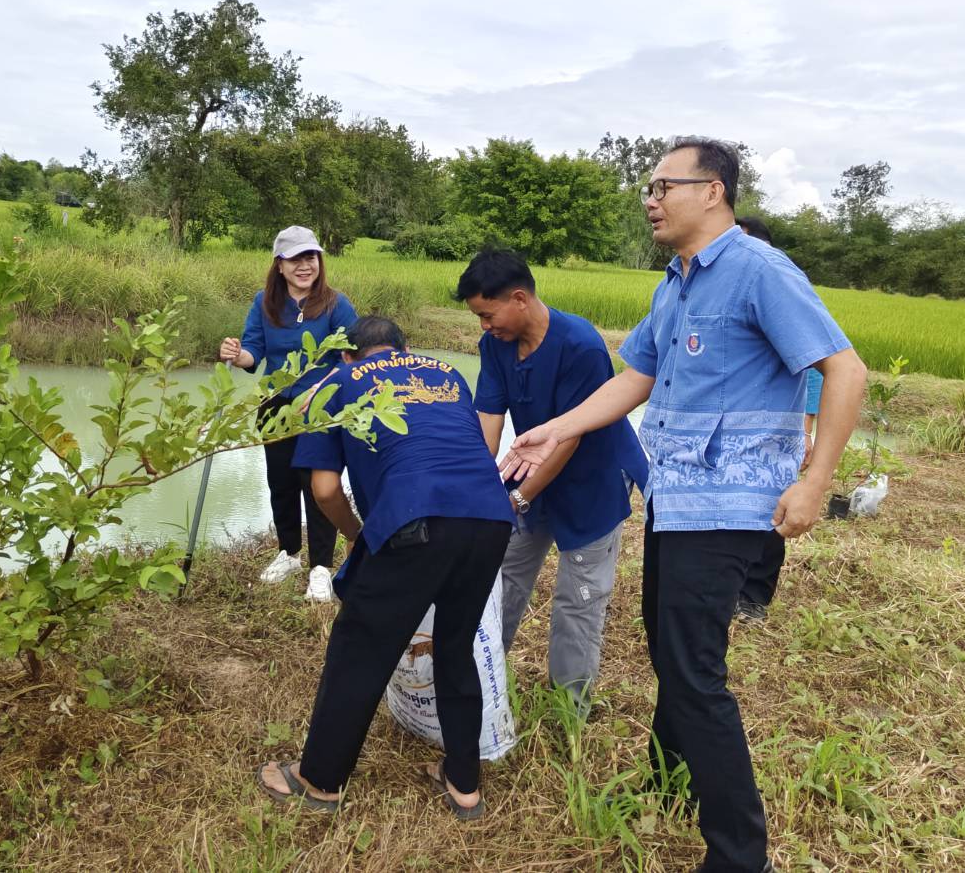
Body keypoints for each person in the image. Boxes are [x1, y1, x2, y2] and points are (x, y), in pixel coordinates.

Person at [504, 138, 867, 873]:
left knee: (694, 671)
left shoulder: (757, 270)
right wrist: (555, 427)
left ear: (713, 191)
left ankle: (740, 856)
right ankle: (668, 784)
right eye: (648, 185)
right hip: (674, 499)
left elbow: (844, 368)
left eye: (663, 184)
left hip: (730, 507)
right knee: (673, 653)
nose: (650, 198)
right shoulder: (673, 284)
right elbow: (634, 376)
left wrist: (815, 481)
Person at [256, 316, 514, 818]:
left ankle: (319, 781)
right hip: (489, 516)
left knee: (360, 647)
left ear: (348, 355)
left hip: (417, 520)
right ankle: (464, 785)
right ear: (403, 348)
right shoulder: (445, 373)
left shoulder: (337, 383)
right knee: (455, 645)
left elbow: (326, 490)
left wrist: (357, 537)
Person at [453, 248, 648, 704]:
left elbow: (569, 438)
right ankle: (478, 683)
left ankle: (569, 707)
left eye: (488, 314)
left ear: (519, 298)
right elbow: (488, 418)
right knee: (499, 576)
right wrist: (483, 492)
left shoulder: (579, 344)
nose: (484, 326)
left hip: (591, 480)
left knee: (577, 600)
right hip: (529, 472)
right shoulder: (496, 344)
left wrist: (518, 500)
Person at [219, 225, 357, 599]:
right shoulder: (264, 302)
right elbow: (253, 353)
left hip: (320, 409)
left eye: (310, 256)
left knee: (318, 488)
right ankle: (289, 552)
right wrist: (236, 354)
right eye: (295, 258)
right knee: (280, 483)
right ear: (279, 265)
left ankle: (321, 568)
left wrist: (321, 387)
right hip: (275, 406)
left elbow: (351, 357)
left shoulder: (336, 304)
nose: (304, 265)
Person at [732, 216, 820, 621]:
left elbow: (819, 366)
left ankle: (754, 597)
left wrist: (806, 430)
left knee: (770, 514)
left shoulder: (781, 288)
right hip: (734, 432)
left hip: (774, 432)